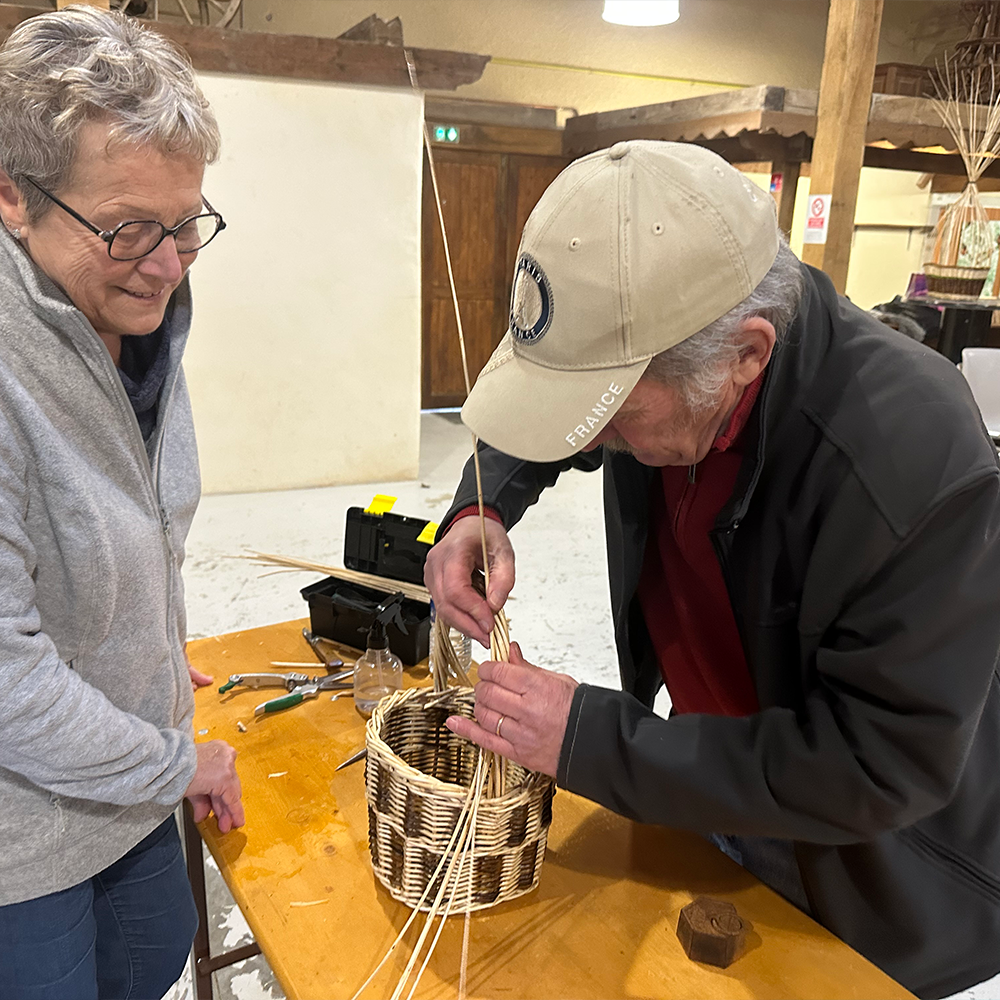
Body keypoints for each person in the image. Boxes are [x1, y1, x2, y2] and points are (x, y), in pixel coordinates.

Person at [425, 140, 1000, 999]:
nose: (588, 439)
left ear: (747, 356)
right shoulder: (692, 348)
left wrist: (592, 739)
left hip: (874, 870)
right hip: (715, 770)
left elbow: (878, 766)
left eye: (611, 417)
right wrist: (482, 501)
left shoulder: (910, 464)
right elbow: (563, 397)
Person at [0, 8, 244, 999]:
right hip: (24, 834)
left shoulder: (135, 308)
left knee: (154, 950)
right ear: (13, 196)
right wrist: (174, 762)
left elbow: (126, 525)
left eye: (187, 221)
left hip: (126, 766)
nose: (170, 262)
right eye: (131, 227)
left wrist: (134, 632)